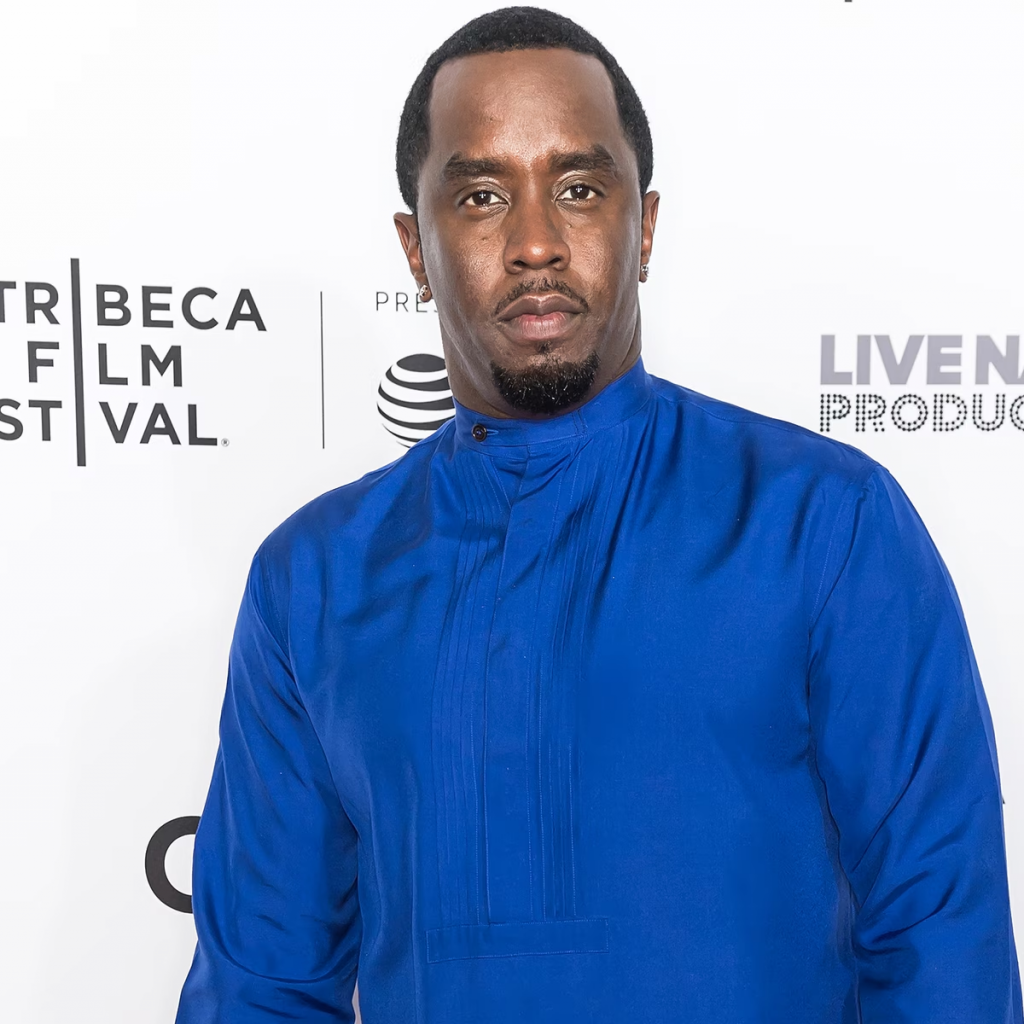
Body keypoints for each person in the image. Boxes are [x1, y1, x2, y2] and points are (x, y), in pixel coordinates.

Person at [175, 7, 1023, 1022]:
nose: (535, 242)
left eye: (579, 188)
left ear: (644, 226)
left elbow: (942, 942)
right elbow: (260, 985)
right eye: (481, 195)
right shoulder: (314, 581)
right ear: (415, 248)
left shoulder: (823, 524)